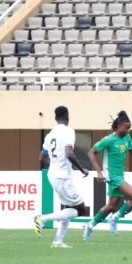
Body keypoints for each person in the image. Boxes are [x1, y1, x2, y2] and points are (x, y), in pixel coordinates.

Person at [83, 110, 132, 241]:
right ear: (118, 126)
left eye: (129, 128)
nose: (128, 131)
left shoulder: (126, 138)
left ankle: (89, 226)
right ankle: (114, 218)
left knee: (111, 206)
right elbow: (91, 153)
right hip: (112, 176)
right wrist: (99, 172)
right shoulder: (108, 140)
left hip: (119, 175)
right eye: (126, 128)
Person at [34, 106, 89, 248]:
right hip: (63, 177)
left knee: (67, 209)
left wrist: (54, 166)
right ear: (68, 117)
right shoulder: (68, 131)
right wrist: (82, 169)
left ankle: (58, 241)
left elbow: (42, 158)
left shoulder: (50, 134)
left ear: (55, 118)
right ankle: (43, 219)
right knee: (81, 210)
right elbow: (69, 153)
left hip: (52, 175)